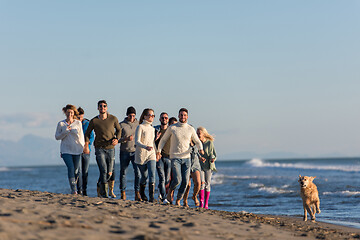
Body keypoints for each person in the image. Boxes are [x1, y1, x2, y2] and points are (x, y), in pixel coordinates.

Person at [157, 108, 204, 206]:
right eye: (181, 115)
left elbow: (197, 141)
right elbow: (163, 140)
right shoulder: (172, 128)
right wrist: (158, 151)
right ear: (178, 116)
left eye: (184, 115)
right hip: (175, 158)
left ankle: (178, 199)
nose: (183, 117)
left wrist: (201, 148)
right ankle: (170, 192)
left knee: (186, 182)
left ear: (187, 117)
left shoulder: (190, 129)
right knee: (177, 179)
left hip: (186, 158)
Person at [84, 100, 121, 198]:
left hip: (111, 148)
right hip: (99, 148)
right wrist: (86, 145)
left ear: (107, 107)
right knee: (103, 170)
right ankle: (104, 195)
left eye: (104, 106)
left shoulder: (113, 118)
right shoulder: (94, 121)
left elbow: (119, 130)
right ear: (98, 108)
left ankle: (101, 187)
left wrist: (117, 139)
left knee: (110, 172)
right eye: (100, 106)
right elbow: (87, 134)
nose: (102, 108)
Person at [55, 104, 85, 194]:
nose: (69, 114)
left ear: (74, 113)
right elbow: (57, 137)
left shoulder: (78, 123)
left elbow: (81, 136)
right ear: (65, 113)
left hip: (77, 149)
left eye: (71, 112)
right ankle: (74, 190)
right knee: (71, 168)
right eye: (68, 112)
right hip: (66, 150)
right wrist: (65, 131)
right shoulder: (61, 124)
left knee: (76, 170)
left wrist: (83, 147)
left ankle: (76, 186)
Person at [119, 106, 141, 201]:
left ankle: (137, 193)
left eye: (133, 115)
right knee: (123, 172)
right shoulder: (121, 125)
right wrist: (126, 139)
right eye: (130, 115)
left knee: (138, 173)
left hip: (135, 152)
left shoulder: (139, 124)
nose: (131, 117)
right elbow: (117, 139)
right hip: (124, 151)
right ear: (127, 115)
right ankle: (123, 192)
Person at [134, 108, 157, 202]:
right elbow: (137, 141)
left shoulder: (152, 128)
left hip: (151, 154)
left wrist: (157, 152)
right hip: (141, 154)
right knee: (144, 177)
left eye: (153, 116)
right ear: (145, 116)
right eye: (150, 115)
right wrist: (145, 146)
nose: (151, 117)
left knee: (152, 174)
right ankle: (142, 193)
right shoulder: (140, 127)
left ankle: (151, 197)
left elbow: (152, 142)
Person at [197, 126, 217, 209]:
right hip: (200, 166)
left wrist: (212, 158)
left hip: (208, 166)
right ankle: (201, 203)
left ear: (204, 134)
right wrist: (199, 157)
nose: (197, 135)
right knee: (201, 184)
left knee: (207, 184)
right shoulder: (197, 143)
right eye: (197, 133)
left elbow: (213, 154)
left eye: (199, 133)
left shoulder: (209, 142)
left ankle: (206, 204)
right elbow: (195, 153)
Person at [154, 112, 171, 202]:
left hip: (169, 157)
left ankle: (160, 191)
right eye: (162, 118)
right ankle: (164, 198)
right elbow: (151, 142)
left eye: (166, 118)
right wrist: (155, 138)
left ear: (168, 120)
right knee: (162, 178)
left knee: (167, 180)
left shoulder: (171, 130)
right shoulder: (156, 130)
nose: (164, 119)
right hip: (159, 157)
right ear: (160, 119)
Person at [77, 107, 94, 196]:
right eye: (78, 116)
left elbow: (92, 136)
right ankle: (79, 189)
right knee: (78, 171)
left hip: (87, 150)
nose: (79, 118)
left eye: (81, 116)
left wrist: (86, 144)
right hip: (77, 150)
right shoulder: (74, 124)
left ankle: (84, 189)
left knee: (85, 171)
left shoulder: (87, 124)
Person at [182, 142, 202, 207]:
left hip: (195, 165)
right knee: (188, 185)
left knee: (198, 183)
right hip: (186, 165)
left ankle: (194, 196)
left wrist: (200, 157)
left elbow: (197, 152)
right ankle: (185, 200)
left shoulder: (196, 141)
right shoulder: (185, 141)